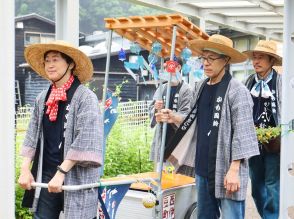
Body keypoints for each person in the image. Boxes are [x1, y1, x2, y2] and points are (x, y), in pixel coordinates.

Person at [159, 34, 260, 218]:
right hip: (203, 168)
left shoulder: (237, 91)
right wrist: (172, 116)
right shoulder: (200, 87)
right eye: (203, 58)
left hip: (226, 168)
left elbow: (244, 132)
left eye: (211, 58)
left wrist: (234, 170)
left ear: (226, 60)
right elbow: (194, 120)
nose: (206, 63)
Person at [17, 41, 103, 219]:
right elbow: (32, 134)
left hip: (75, 174)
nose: (50, 65)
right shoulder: (43, 97)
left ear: (70, 63)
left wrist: (61, 173)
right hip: (47, 172)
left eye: (55, 60)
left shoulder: (86, 97)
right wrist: (25, 169)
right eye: (47, 60)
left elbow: (86, 139)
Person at [243, 40, 282, 218]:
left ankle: (272, 216)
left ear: (271, 61)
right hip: (252, 142)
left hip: (274, 142)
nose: (256, 62)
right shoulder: (248, 82)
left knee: (272, 184)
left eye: (260, 58)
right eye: (254, 58)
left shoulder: (279, 82)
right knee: (256, 186)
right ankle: (267, 216)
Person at [149, 57, 192, 169]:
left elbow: (188, 115)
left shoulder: (186, 90)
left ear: (178, 67)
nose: (167, 70)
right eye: (165, 68)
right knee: (160, 171)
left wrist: (172, 116)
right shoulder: (161, 88)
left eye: (170, 66)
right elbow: (152, 111)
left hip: (178, 138)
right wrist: (156, 109)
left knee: (176, 174)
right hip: (161, 136)